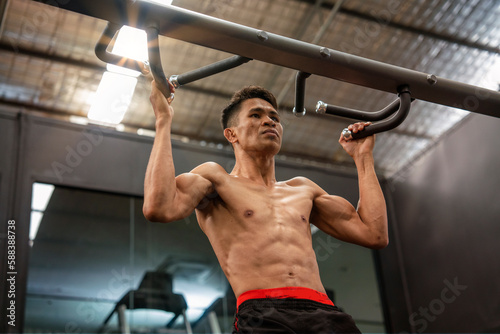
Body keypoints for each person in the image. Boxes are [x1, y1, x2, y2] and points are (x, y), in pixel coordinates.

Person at [143, 81, 388, 333]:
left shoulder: (303, 189)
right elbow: (158, 208)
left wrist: (363, 157)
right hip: (263, 315)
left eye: (274, 117)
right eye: (256, 115)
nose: (269, 121)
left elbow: (374, 233)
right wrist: (163, 119)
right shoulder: (215, 180)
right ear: (231, 134)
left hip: (324, 313)